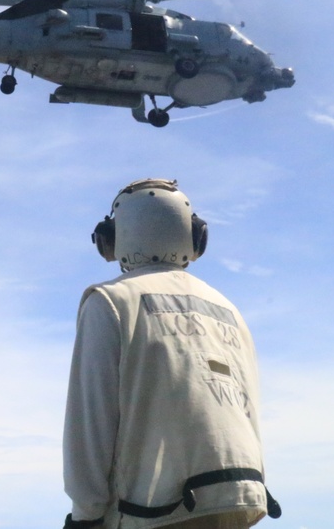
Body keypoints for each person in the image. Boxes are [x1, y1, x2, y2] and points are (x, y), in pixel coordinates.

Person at [63, 179, 280, 529]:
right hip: (238, 499)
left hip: (155, 509)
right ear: (195, 237)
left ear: (113, 238)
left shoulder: (110, 302)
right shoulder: (229, 310)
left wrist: (85, 513)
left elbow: (90, 419)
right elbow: (248, 408)